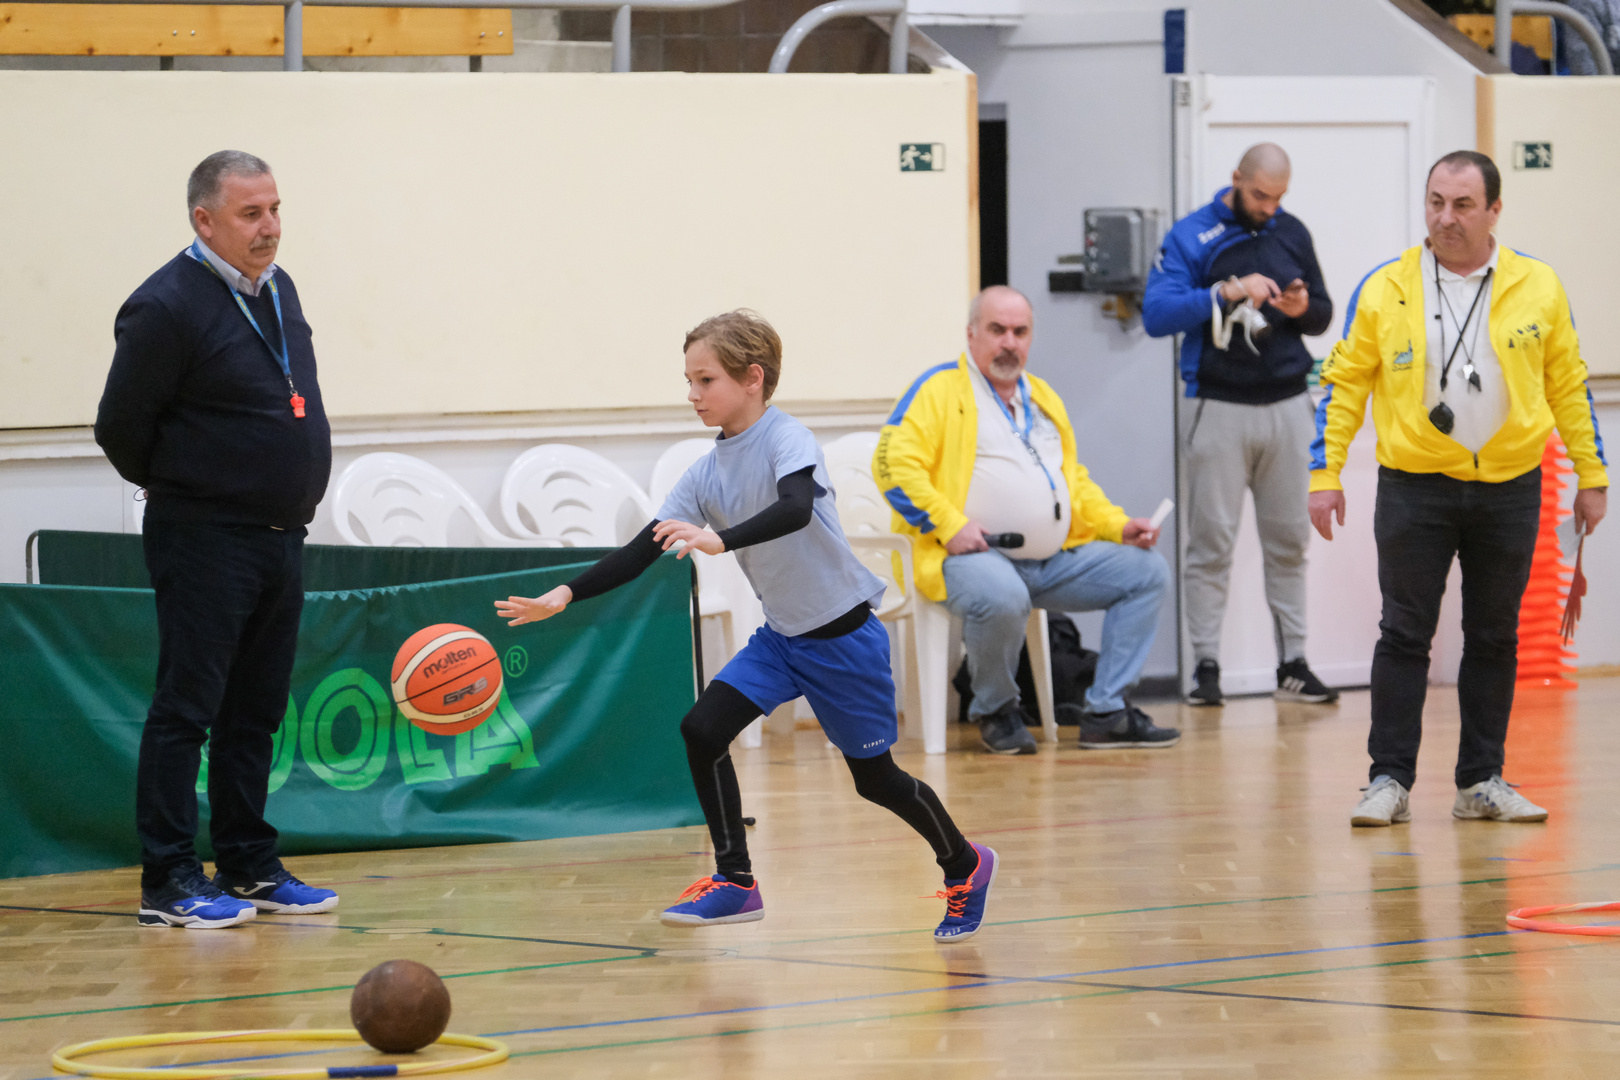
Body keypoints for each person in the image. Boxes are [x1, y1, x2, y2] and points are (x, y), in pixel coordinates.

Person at [495, 310, 998, 942]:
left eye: (705, 380)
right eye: (689, 380)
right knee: (701, 730)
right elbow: (645, 546)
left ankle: (965, 863)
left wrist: (720, 539)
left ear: (752, 378)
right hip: (782, 641)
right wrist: (565, 595)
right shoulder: (706, 472)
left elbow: (794, 508)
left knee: (877, 781)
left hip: (842, 640)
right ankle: (735, 881)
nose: (692, 394)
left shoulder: (789, 439)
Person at [1310, 150, 1608, 827]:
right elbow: (1344, 384)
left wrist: (1592, 475)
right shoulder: (1385, 287)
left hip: (1510, 489)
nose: (1445, 218)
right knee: (1403, 634)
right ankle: (1388, 780)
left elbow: (1569, 383)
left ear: (1494, 210)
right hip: (1414, 488)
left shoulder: (1538, 284)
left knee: (1494, 637)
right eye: (1436, 202)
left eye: (1463, 205)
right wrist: (1325, 474)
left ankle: (1480, 781)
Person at [95, 151, 339, 928]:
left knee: (254, 711)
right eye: (250, 213)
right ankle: (168, 879)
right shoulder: (165, 305)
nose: (270, 227)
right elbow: (120, 427)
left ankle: (248, 865)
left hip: (280, 536)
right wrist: (193, 487)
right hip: (204, 537)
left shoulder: (279, 289)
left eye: (274, 209)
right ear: (204, 221)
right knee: (187, 709)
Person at [874, 286, 1177, 755]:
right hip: (965, 558)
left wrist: (1117, 526)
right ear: (971, 334)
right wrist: (949, 526)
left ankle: (1106, 712)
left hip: (1050, 560)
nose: (1009, 343)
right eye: (997, 330)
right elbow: (892, 467)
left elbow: (1072, 483)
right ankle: (996, 710)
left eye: (1020, 332)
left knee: (1148, 572)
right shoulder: (938, 390)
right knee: (1003, 595)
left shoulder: (1043, 398)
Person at [1142, 142, 1339, 708]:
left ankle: (1293, 664)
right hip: (1217, 406)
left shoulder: (1291, 231)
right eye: (1260, 195)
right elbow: (1157, 314)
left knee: (1290, 542)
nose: (1269, 208)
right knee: (1210, 545)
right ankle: (1206, 668)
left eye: (1278, 197)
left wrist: (1301, 308)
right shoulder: (1191, 235)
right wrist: (1225, 291)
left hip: (1288, 405)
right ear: (1236, 180)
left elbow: (1322, 313)